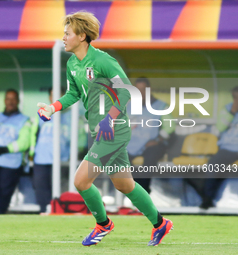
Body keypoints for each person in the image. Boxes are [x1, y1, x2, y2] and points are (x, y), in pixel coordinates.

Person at [37, 11, 173, 246]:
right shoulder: (72, 63)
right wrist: (53, 108)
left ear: (81, 36)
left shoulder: (103, 61)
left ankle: (103, 224)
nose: (64, 38)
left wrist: (109, 118)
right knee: (124, 184)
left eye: (67, 34)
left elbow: (125, 90)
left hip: (113, 130)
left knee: (81, 181)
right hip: (99, 132)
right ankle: (160, 224)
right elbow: (74, 94)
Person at [0, 89, 31, 214]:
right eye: (8, 99)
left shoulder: (24, 120)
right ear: (4, 100)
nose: (11, 102)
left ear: (18, 101)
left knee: (4, 191)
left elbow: (24, 142)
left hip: (11, 162)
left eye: (13, 99)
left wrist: (5, 149)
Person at [127, 77, 175, 194]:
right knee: (120, 161)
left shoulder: (161, 106)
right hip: (132, 144)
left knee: (149, 159)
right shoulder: (128, 106)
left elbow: (170, 127)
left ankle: (143, 193)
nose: (140, 93)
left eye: (143, 90)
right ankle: (135, 187)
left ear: (149, 90)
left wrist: (158, 139)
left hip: (153, 144)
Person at [30, 88, 70, 213]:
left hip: (61, 160)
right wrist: (32, 153)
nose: (56, 97)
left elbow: (77, 138)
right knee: (41, 190)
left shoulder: (70, 116)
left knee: (60, 191)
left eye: (59, 95)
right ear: (49, 97)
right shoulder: (42, 113)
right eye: (53, 95)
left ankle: (59, 214)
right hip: (41, 158)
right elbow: (34, 134)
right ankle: (43, 213)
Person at [200, 86, 238, 209]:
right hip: (228, 148)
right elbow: (220, 127)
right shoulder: (227, 109)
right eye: (235, 97)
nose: (236, 100)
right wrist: (232, 112)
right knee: (213, 165)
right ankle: (207, 199)